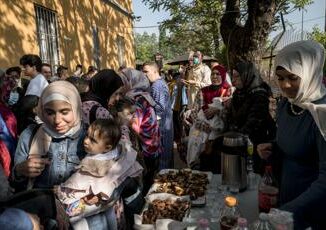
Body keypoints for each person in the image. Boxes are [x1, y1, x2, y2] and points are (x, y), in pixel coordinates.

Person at [257, 40, 326, 229]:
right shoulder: (286, 105)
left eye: (293, 77)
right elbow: (293, 143)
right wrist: (272, 147)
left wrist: (291, 209)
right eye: (280, 78)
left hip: (311, 212)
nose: (285, 85)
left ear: (310, 73)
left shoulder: (322, 113)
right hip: (284, 201)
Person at [56, 119, 142, 228]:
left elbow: (76, 184)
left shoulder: (95, 166)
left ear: (108, 147)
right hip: (107, 207)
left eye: (92, 140)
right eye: (87, 136)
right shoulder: (119, 154)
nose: (86, 141)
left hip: (89, 209)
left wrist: (62, 192)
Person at [12, 81, 86, 189]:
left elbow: (113, 178)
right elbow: (15, 183)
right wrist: (19, 170)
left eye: (64, 112)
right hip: (40, 204)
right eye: (50, 113)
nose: (57, 120)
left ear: (76, 108)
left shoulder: (92, 136)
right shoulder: (29, 135)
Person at [226, 61, 275, 174]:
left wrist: (234, 138)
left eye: (237, 76)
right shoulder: (239, 93)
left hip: (256, 147)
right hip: (242, 143)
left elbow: (253, 124)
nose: (233, 81)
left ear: (247, 75)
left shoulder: (260, 95)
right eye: (232, 76)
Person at [119, 68, 161, 194]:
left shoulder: (135, 99)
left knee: (145, 181)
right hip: (153, 143)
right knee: (150, 177)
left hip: (144, 146)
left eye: (124, 81)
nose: (122, 85)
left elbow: (135, 126)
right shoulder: (144, 94)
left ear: (131, 82)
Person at [143, 62, 173, 169]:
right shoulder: (159, 83)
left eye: (146, 71)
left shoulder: (157, 85)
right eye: (143, 72)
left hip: (162, 127)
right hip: (165, 125)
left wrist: (147, 100)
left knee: (162, 162)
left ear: (155, 71)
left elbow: (160, 108)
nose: (144, 74)